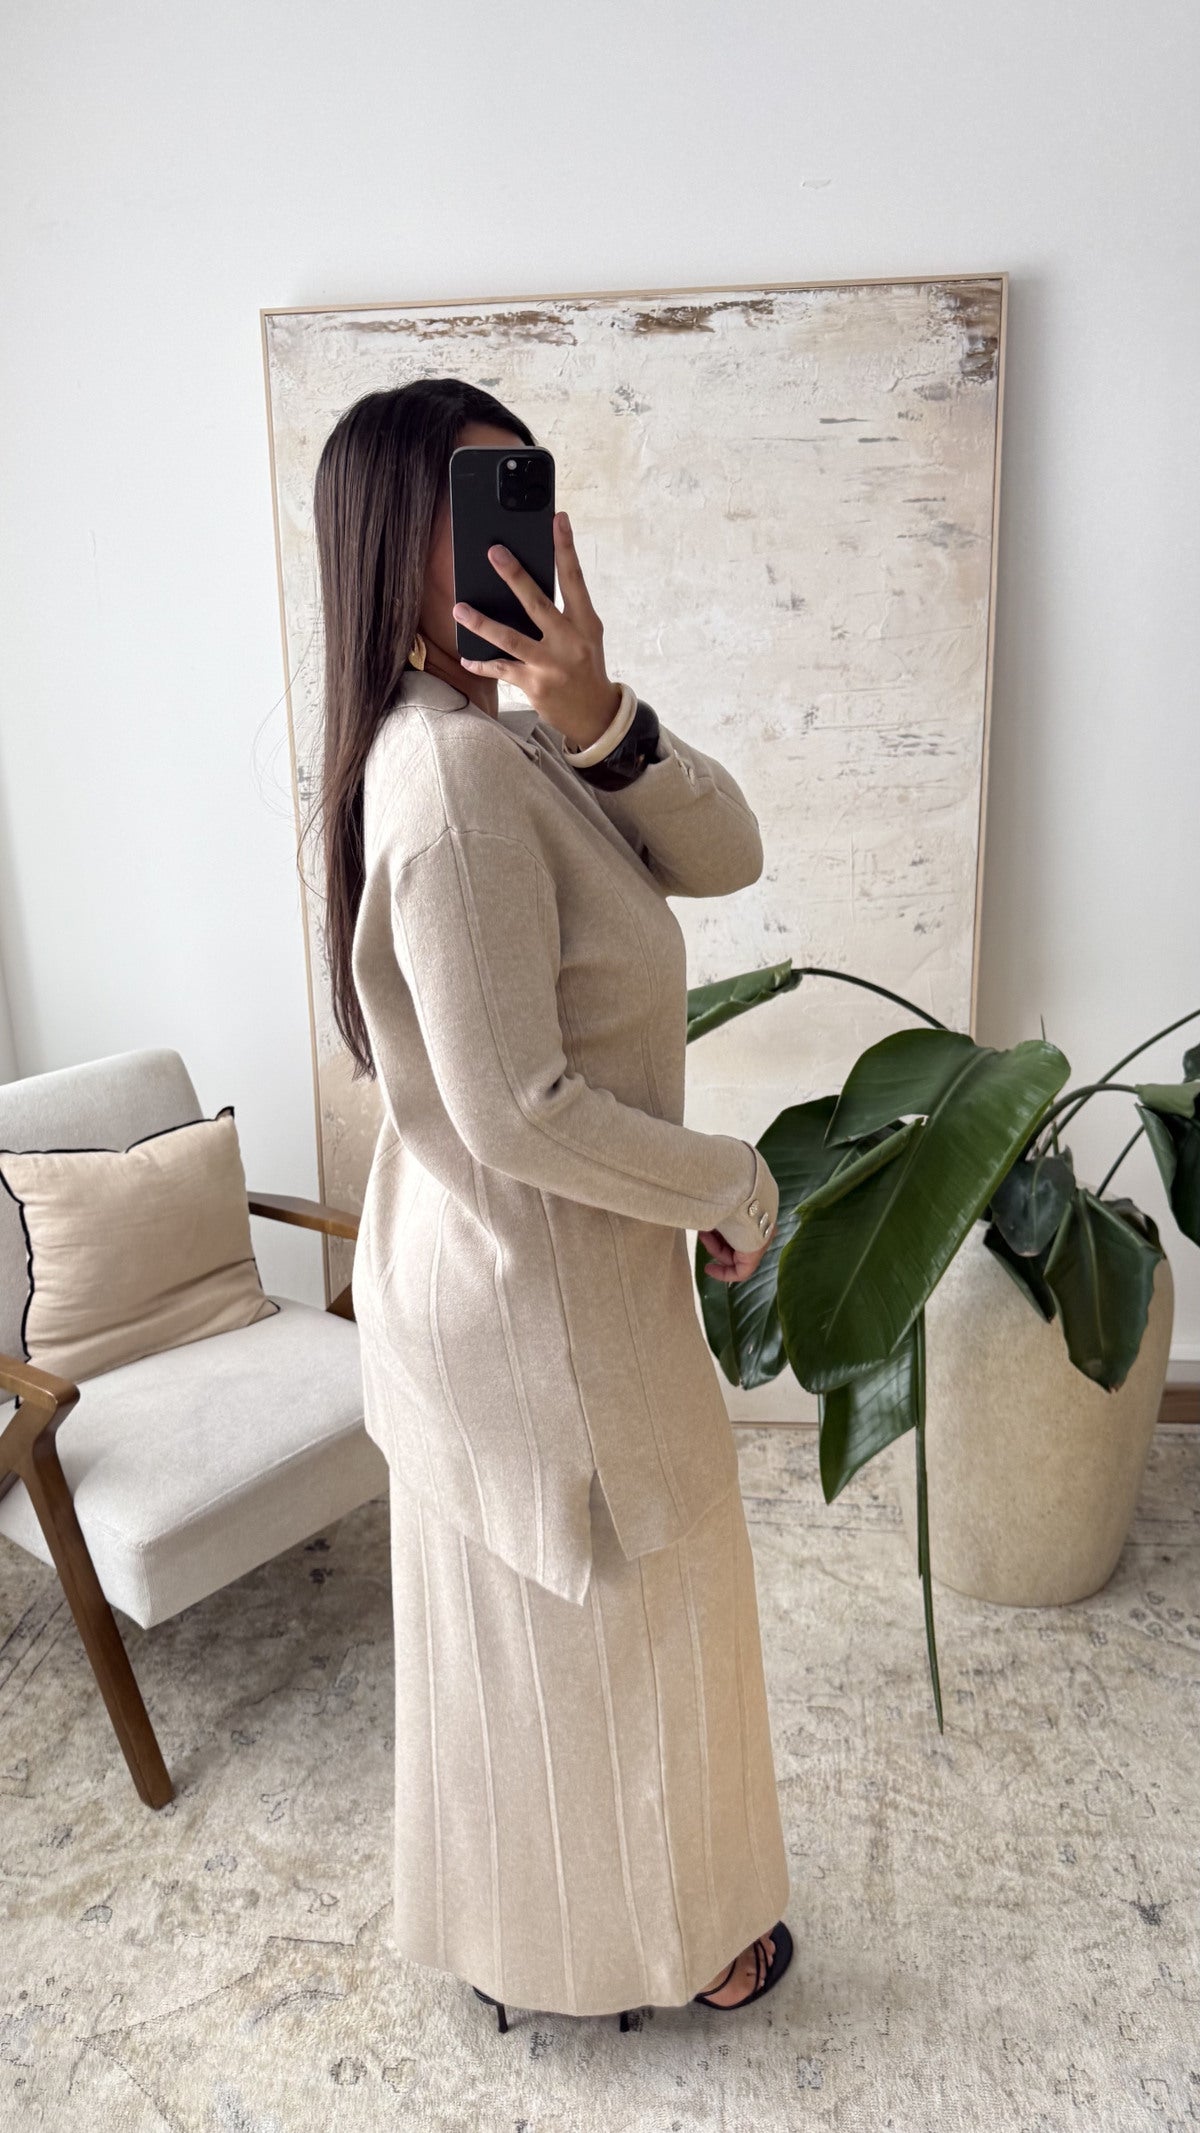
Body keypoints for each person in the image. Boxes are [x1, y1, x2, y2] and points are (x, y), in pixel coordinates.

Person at [311, 376, 794, 2028]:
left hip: (506, 1281)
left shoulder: (514, 745)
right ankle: (663, 1942)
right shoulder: (452, 778)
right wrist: (731, 1180)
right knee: (637, 1634)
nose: (517, 538)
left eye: (524, 493)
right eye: (473, 504)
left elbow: (726, 850)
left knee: (544, 1651)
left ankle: (538, 1935)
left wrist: (597, 709)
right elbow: (521, 1107)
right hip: (541, 1303)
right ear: (389, 545)